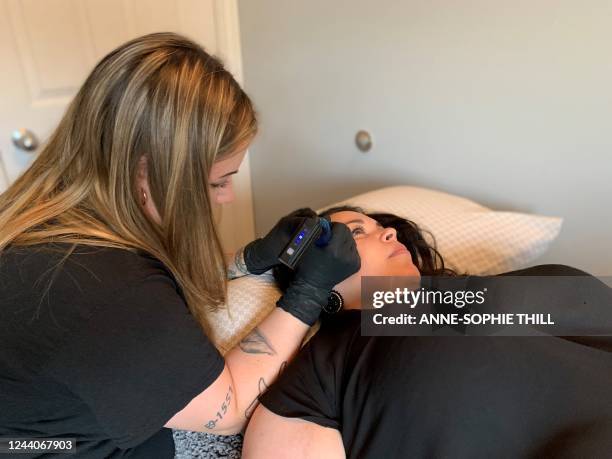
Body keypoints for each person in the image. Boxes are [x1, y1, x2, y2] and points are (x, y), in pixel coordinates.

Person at [0, 34, 360, 458]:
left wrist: (249, 258)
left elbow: (152, 288)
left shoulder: (62, 219)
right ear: (143, 172)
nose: (226, 197)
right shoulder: (96, 288)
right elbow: (228, 410)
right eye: (217, 182)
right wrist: (309, 296)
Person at [242, 206, 612, 459]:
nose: (388, 231)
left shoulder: (465, 296)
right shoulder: (322, 371)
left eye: (378, 225)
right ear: (315, 272)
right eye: (356, 232)